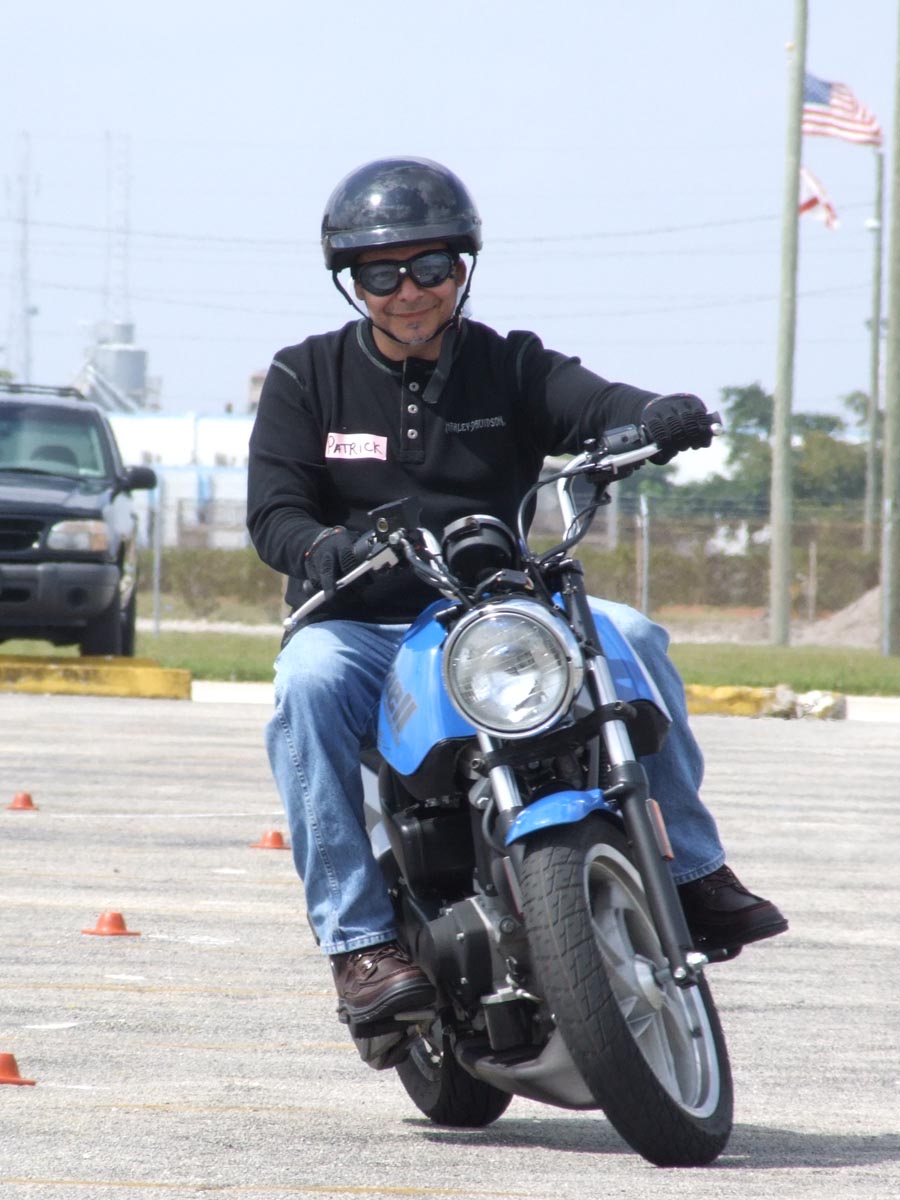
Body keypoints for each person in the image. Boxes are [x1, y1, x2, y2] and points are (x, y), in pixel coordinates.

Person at [247, 156, 787, 1029]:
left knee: (634, 634)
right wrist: (325, 547)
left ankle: (693, 871)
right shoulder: (305, 375)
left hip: (497, 611)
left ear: (461, 269)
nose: (409, 291)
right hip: (362, 625)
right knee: (305, 685)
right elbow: (274, 515)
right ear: (353, 283)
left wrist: (660, 414)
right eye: (382, 274)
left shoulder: (512, 364)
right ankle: (359, 943)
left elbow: (601, 403)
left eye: (430, 267)